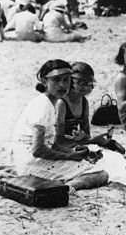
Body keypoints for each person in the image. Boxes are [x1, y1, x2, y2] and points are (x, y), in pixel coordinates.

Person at [11, 60, 108, 190]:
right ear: (45, 81)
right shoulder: (43, 106)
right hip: (29, 161)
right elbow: (37, 150)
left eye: (66, 80)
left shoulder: (51, 102)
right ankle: (67, 188)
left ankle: (62, 185)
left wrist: (75, 153)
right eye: (56, 80)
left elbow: (52, 143)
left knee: (91, 163)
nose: (62, 85)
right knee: (101, 174)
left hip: (31, 158)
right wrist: (69, 156)